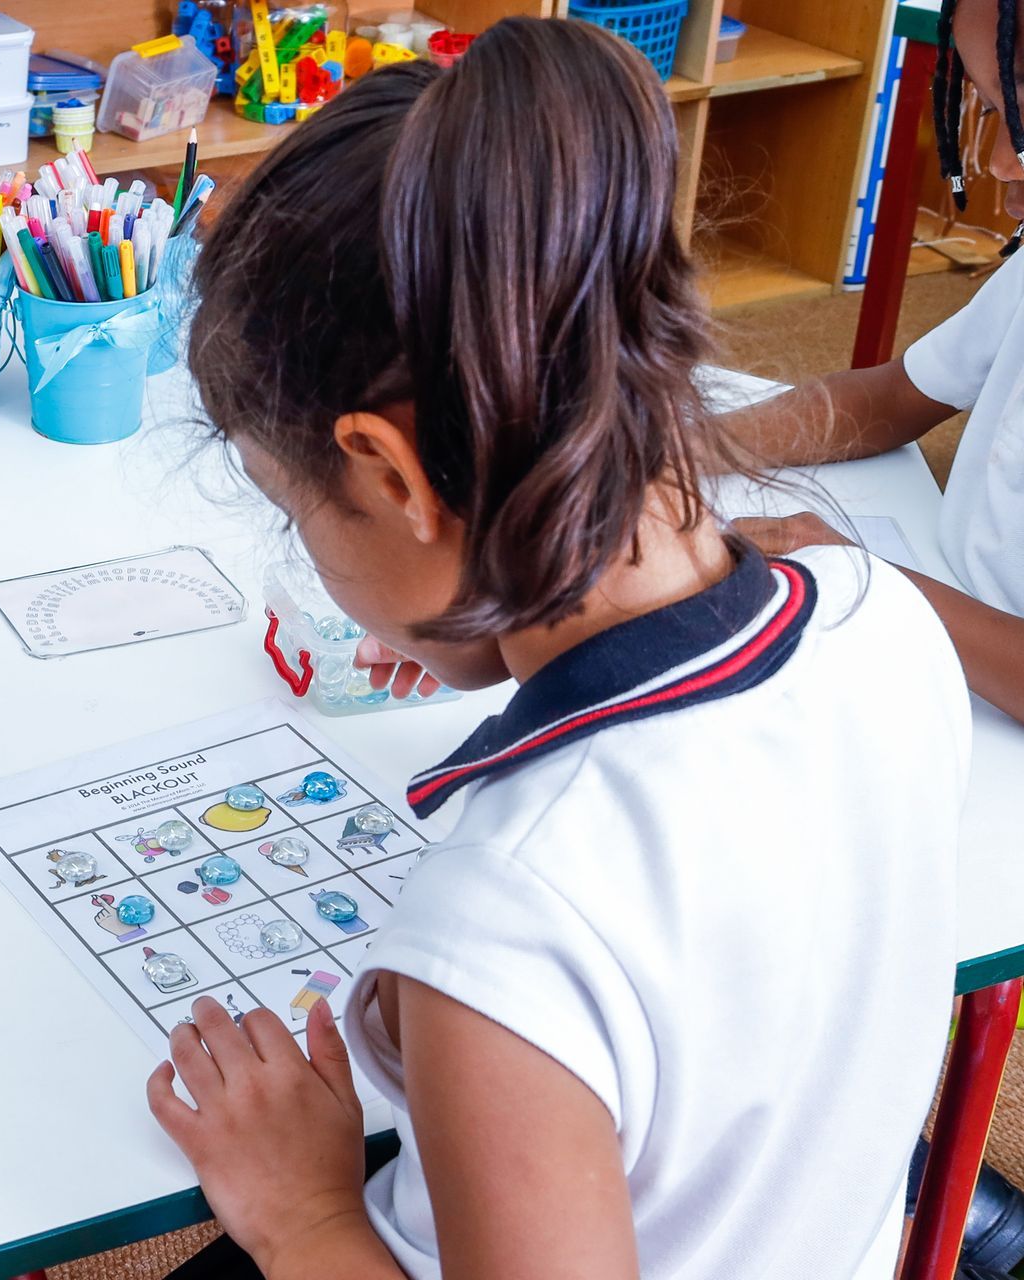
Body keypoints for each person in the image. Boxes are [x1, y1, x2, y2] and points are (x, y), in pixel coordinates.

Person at [148, 20, 972, 1279]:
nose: (303, 547)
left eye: (291, 505)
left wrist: (303, 1212)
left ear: (390, 471)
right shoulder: (884, 615)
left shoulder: (515, 911)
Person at [730, 0, 1024, 726]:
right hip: (945, 633)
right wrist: (690, 444)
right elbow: (892, 398)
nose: (994, 163)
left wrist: (865, 580)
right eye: (991, 114)